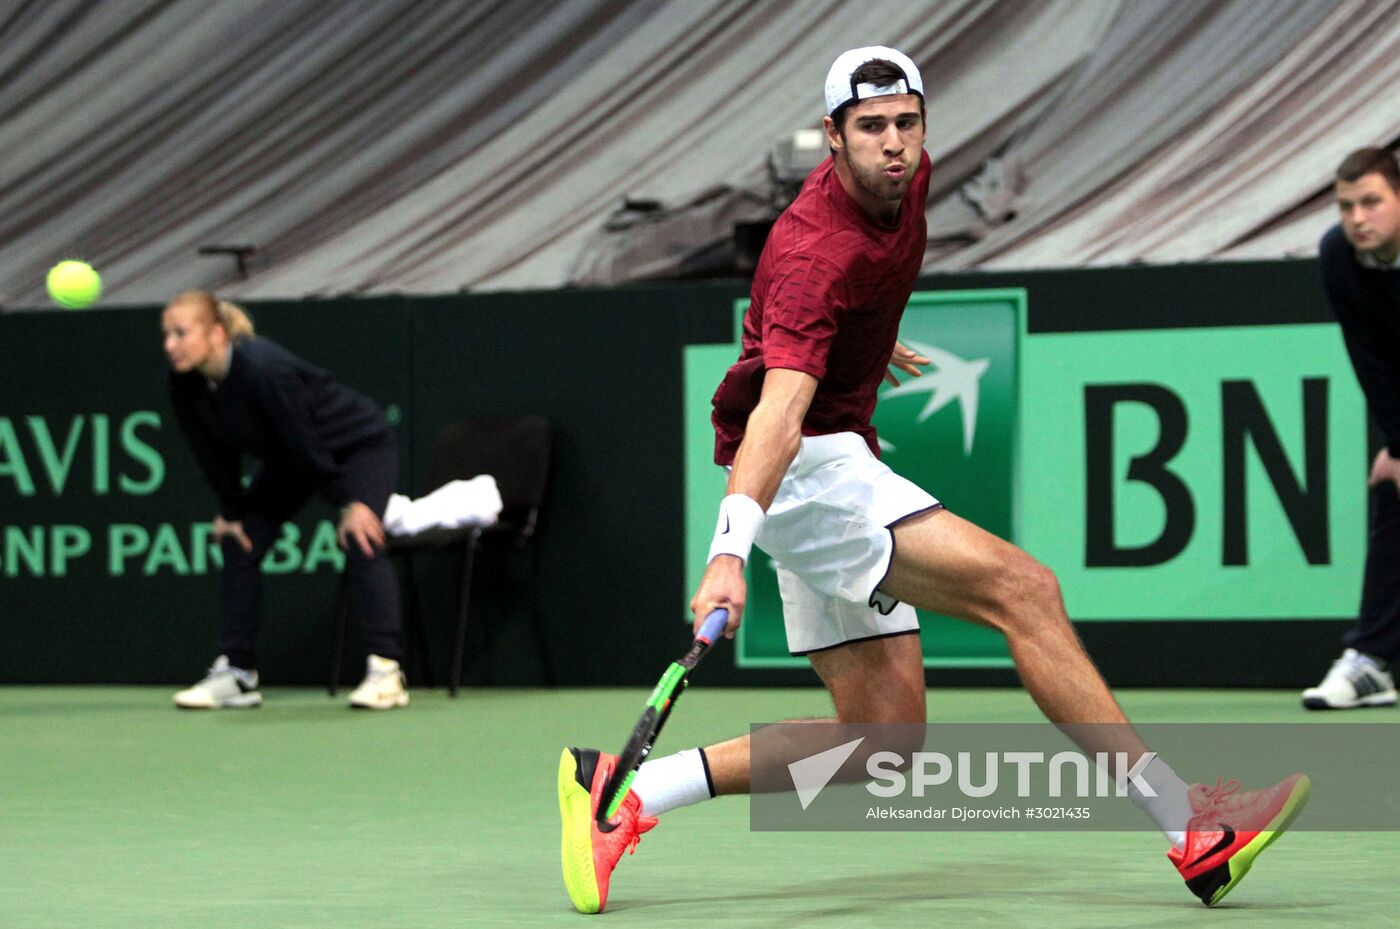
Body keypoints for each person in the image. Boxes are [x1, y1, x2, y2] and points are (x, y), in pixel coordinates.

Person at [557, 47, 1308, 913]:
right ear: (830, 139)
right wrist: (730, 548)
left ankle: (623, 794)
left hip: (832, 449)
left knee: (883, 738)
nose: (894, 145)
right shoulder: (812, 254)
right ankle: (1189, 829)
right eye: (869, 128)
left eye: (907, 124)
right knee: (1024, 591)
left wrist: (873, 337)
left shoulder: (902, 180)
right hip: (803, 465)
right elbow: (777, 413)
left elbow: (858, 293)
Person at [161, 290, 409, 710]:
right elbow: (212, 454)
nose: (170, 345)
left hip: (356, 445)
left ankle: (387, 671)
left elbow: (305, 443)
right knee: (241, 542)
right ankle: (237, 674)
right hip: (293, 458)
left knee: (360, 536)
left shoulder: (264, 370)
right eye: (166, 335)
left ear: (217, 333)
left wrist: (349, 502)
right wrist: (232, 511)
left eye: (181, 333)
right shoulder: (184, 382)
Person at [1302, 147, 1400, 710]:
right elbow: (1374, 357)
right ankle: (1372, 663)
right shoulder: (1339, 255)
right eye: (1346, 206)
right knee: (1393, 485)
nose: (1358, 219)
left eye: (1371, 202)